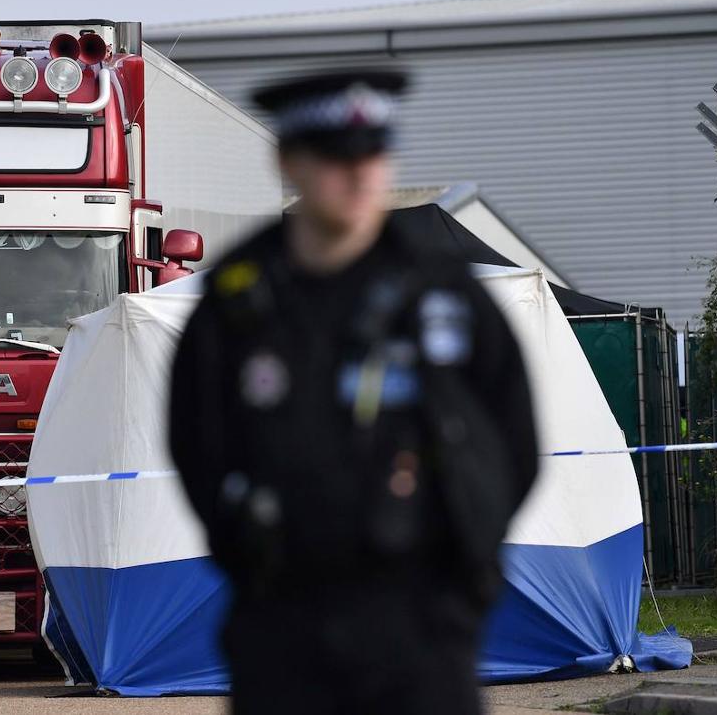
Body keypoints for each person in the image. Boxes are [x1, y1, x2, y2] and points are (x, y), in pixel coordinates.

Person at [167, 69, 539, 714]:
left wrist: (466, 572)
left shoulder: (444, 292)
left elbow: (515, 440)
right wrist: (251, 561)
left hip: (422, 621)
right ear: (288, 163)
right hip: (284, 622)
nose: (359, 175)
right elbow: (197, 445)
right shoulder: (238, 300)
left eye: (373, 154)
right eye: (335, 157)